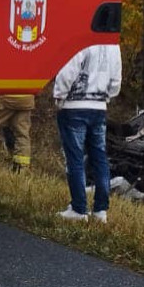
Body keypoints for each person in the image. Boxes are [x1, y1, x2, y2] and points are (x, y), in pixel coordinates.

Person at [53, 44, 122, 223]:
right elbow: (116, 79)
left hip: (74, 106)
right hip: (99, 106)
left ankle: (78, 208)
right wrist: (107, 96)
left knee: (75, 158)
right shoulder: (113, 45)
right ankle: (100, 210)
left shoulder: (82, 40)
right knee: (100, 158)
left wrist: (59, 95)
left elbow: (69, 70)